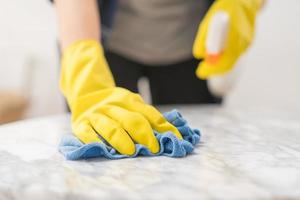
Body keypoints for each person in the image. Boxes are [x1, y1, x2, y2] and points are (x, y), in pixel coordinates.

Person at [54, 0, 264, 155]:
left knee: (198, 165)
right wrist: (83, 65)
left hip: (192, 45)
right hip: (102, 39)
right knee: (100, 135)